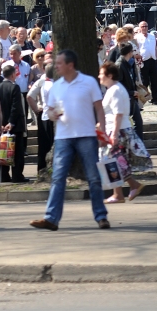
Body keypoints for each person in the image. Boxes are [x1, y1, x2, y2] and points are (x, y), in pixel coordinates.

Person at [30, 49, 110, 231]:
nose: (56, 66)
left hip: (86, 135)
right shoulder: (56, 86)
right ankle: (51, 218)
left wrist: (102, 131)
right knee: (58, 177)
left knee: (93, 177)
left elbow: (99, 108)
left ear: (70, 65)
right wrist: (52, 114)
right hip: (63, 137)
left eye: (59, 63)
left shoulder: (88, 82)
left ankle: (101, 216)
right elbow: (49, 111)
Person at [99, 62, 151, 204]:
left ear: (109, 75)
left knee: (110, 160)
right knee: (114, 161)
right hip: (116, 129)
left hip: (118, 130)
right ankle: (125, 189)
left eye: (101, 74)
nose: (99, 76)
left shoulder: (115, 90)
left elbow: (118, 114)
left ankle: (122, 191)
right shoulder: (113, 89)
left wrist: (114, 134)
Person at [0, 62, 29, 183]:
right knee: (18, 152)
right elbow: (16, 107)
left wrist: (2, 122)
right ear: (12, 75)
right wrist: (12, 122)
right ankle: (17, 175)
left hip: (2, 124)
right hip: (15, 125)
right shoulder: (14, 87)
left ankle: (3, 175)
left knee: (4, 150)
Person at [27, 58, 55, 173]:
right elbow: (29, 96)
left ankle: (42, 168)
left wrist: (37, 110)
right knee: (48, 143)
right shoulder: (43, 81)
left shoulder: (42, 81)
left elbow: (29, 96)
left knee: (44, 145)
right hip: (49, 115)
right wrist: (37, 110)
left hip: (44, 114)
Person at [134, 21, 157, 105]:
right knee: (144, 81)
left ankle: (155, 99)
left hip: (152, 60)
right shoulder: (137, 37)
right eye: (142, 26)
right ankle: (144, 98)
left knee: (154, 81)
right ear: (140, 28)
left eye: (146, 26)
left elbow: (155, 49)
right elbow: (136, 49)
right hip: (143, 61)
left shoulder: (152, 36)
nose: (144, 28)